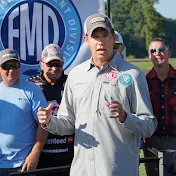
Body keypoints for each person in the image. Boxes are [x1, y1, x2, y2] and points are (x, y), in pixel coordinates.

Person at [37, 14, 157, 176]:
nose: (100, 41)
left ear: (113, 37)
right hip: (82, 170)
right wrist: (50, 121)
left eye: (105, 35)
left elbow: (149, 126)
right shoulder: (76, 75)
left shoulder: (133, 75)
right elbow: (68, 124)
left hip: (118, 170)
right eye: (95, 36)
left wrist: (125, 117)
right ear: (87, 40)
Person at [0, 48, 48, 176]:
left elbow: (43, 125)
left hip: (23, 165)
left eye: (15, 65)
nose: (11, 70)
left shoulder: (32, 90)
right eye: (6, 66)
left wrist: (34, 154)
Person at [28, 44, 74, 176]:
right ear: (41, 64)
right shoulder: (31, 86)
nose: (54, 69)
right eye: (50, 64)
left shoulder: (72, 83)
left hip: (68, 153)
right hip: (40, 155)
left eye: (58, 64)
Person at [144, 37, 176, 176]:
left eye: (161, 50)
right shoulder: (143, 81)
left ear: (169, 53)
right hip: (152, 142)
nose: (157, 53)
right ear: (149, 55)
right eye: (153, 50)